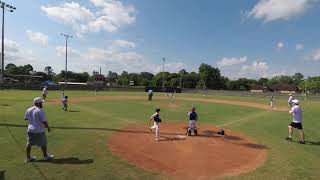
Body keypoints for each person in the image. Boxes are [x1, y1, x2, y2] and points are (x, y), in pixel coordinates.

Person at [24, 97, 55, 163]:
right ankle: (45, 156)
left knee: (29, 143)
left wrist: (32, 120)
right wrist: (48, 128)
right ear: (38, 103)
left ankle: (28, 158)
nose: (42, 103)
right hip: (39, 130)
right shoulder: (40, 110)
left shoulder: (29, 109)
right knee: (43, 143)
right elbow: (44, 121)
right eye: (41, 102)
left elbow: (26, 118)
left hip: (30, 130)